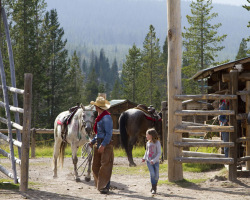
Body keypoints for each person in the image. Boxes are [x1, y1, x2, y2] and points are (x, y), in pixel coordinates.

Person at [89, 96, 114, 194]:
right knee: (95, 166)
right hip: (98, 142)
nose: (95, 108)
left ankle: (104, 186)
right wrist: (92, 141)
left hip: (105, 144)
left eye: (95, 106)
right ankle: (100, 185)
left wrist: (103, 145)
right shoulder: (100, 117)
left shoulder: (106, 118)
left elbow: (108, 134)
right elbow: (100, 133)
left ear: (97, 107)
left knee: (105, 165)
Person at [142, 128, 161, 194]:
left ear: (151, 135)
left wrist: (154, 160)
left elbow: (159, 153)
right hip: (149, 161)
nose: (146, 136)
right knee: (152, 174)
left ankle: (154, 185)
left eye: (147, 135)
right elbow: (146, 151)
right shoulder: (148, 143)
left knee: (156, 176)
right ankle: (154, 188)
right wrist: (144, 157)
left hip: (156, 162)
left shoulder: (157, 143)